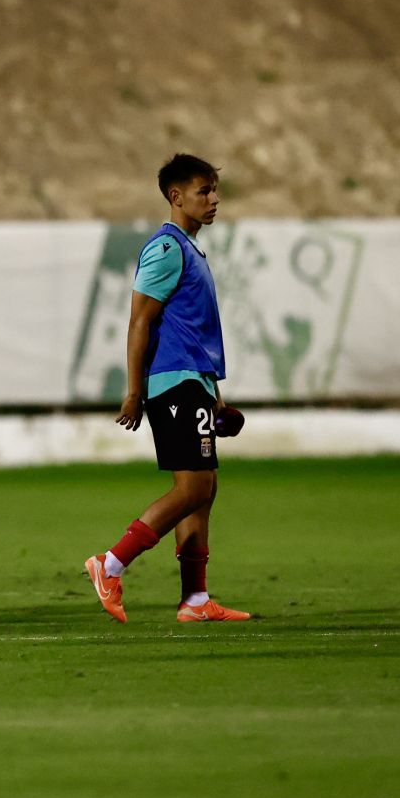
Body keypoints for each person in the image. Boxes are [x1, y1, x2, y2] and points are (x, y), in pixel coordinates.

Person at [85, 153, 251, 625]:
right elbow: (140, 320)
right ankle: (110, 564)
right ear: (176, 197)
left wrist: (215, 397)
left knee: (205, 489)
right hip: (172, 383)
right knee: (192, 486)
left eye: (215, 189)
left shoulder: (191, 249)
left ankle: (195, 602)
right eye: (204, 190)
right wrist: (134, 391)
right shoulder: (166, 248)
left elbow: (192, 331)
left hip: (192, 383)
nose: (214, 199)